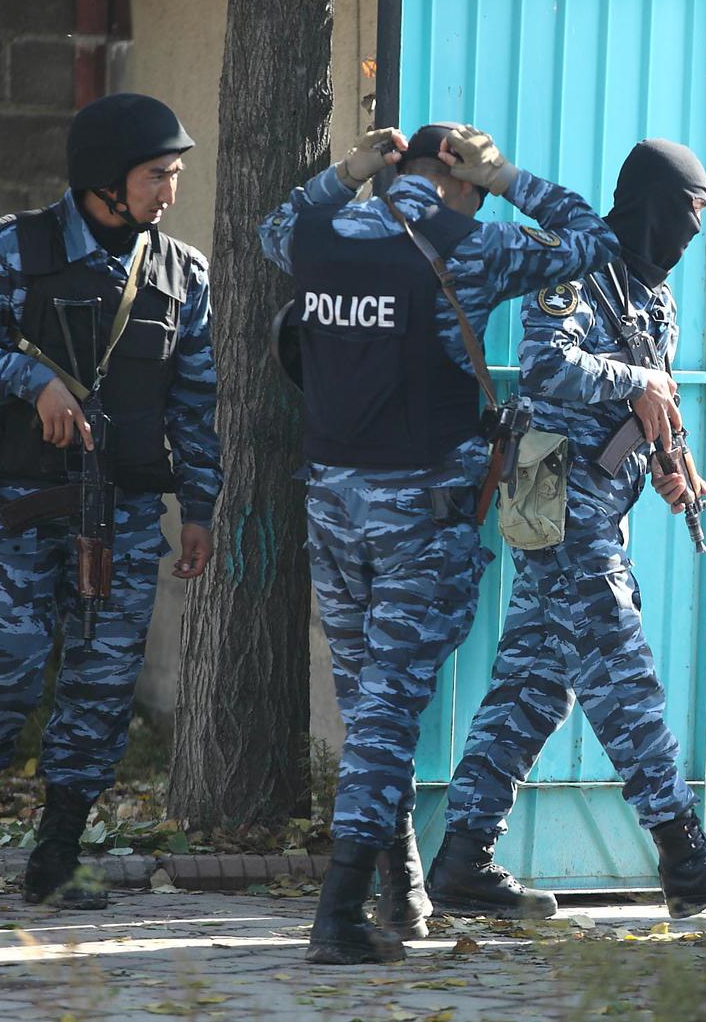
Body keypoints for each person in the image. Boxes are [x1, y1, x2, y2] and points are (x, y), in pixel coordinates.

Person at [257, 122, 618, 964]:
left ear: (395, 170)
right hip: (421, 508)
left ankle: (401, 893)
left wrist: (346, 172)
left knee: (369, 706)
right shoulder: (473, 245)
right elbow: (592, 241)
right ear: (456, 175)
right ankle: (338, 917)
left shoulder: (318, 234)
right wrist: (510, 177)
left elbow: (278, 221)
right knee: (388, 711)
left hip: (333, 503)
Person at [428, 139, 706, 922]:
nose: (688, 237)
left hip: (598, 503)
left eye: (699, 223)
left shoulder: (655, 299)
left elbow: (640, 408)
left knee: (530, 687)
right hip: (558, 506)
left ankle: (461, 859)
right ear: (647, 205)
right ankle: (684, 852)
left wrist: (667, 462)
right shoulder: (577, 265)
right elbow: (548, 365)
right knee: (621, 668)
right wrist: (640, 380)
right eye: (680, 216)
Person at [0, 92, 220, 909]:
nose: (171, 190)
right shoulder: (17, 247)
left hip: (122, 515)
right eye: (158, 174)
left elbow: (194, 404)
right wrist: (33, 382)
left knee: (100, 689)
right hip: (21, 506)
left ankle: (58, 856)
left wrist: (198, 509)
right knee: (4, 663)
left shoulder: (182, 272)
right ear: (104, 180)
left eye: (175, 173)